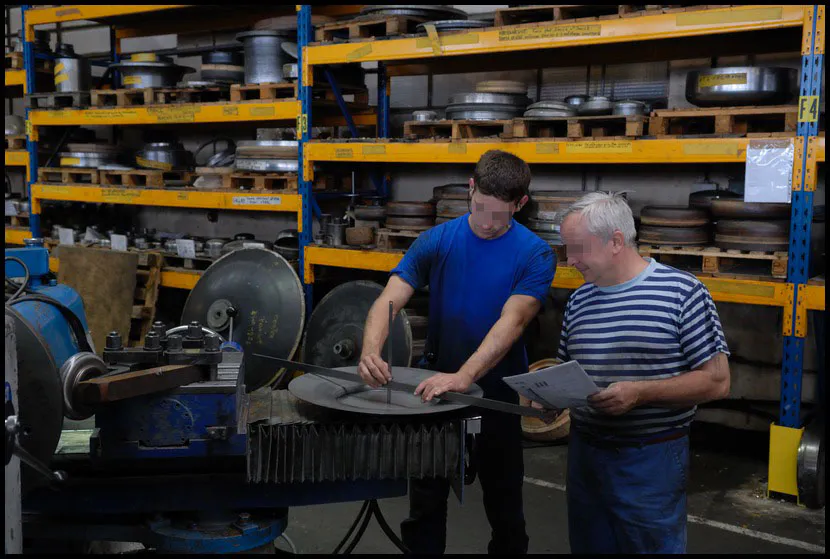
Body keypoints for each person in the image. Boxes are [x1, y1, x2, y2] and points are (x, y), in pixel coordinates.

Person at [357, 150, 556, 554]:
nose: (486, 222)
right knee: (426, 507)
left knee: (505, 508)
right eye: (480, 207)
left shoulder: (535, 253)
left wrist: (465, 376)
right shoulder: (436, 240)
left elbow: (512, 322)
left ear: (520, 204)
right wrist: (370, 349)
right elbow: (389, 299)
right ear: (471, 188)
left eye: (499, 215)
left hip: (497, 398)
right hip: (433, 395)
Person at [552, 191, 731, 554]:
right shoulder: (579, 300)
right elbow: (564, 370)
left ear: (616, 241)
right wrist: (550, 399)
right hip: (586, 455)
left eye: (578, 248)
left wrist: (641, 392)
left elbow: (717, 381)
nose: (570, 260)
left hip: (650, 458)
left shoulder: (682, 292)